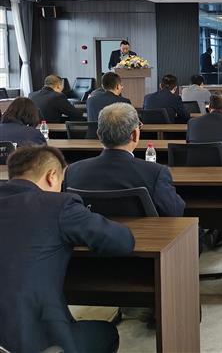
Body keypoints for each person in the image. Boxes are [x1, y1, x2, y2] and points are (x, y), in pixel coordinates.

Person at [0, 145, 135, 352]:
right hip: (34, 341)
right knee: (106, 334)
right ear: (51, 176)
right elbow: (122, 242)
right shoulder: (58, 205)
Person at [65, 103, 185, 217]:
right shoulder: (155, 173)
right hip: (140, 232)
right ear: (135, 135)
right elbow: (175, 211)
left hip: (89, 232)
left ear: (98, 135)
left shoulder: (72, 171)